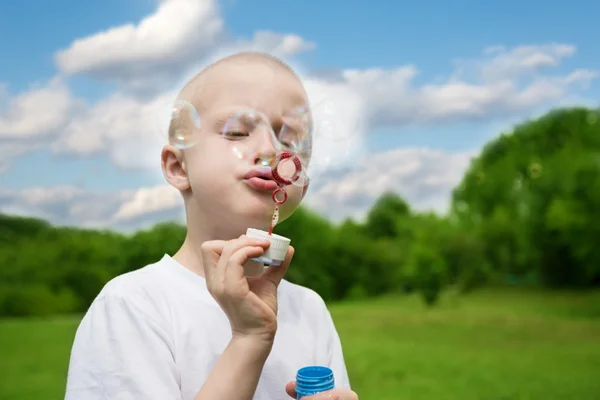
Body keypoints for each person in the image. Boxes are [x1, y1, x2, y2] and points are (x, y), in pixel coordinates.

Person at [64, 52, 359, 400]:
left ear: (302, 184)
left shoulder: (309, 309)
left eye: (290, 142)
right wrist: (249, 339)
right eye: (236, 133)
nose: (270, 149)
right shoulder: (134, 306)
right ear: (178, 167)